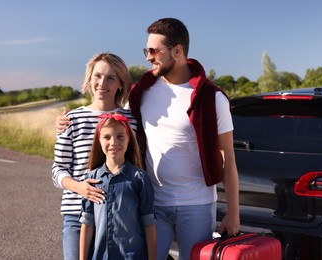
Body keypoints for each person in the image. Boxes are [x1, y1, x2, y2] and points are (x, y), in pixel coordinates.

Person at [128, 18, 240, 260]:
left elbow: (228, 156)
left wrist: (233, 213)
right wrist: (67, 119)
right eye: (146, 50)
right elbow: (111, 121)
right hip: (154, 203)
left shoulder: (212, 97)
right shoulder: (140, 92)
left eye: (154, 51)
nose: (148, 57)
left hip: (197, 205)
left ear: (177, 51)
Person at [52, 52, 135, 260]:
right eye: (97, 76)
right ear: (89, 79)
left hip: (119, 216)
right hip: (76, 216)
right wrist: (80, 187)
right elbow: (57, 171)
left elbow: (135, 166)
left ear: (121, 84)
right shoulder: (72, 119)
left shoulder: (131, 122)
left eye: (110, 78)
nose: (102, 83)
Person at [79, 112, 156, 260]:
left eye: (120, 136)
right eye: (107, 137)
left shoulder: (139, 179)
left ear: (128, 140)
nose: (114, 142)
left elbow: (149, 224)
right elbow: (87, 224)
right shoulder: (91, 179)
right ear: (99, 140)